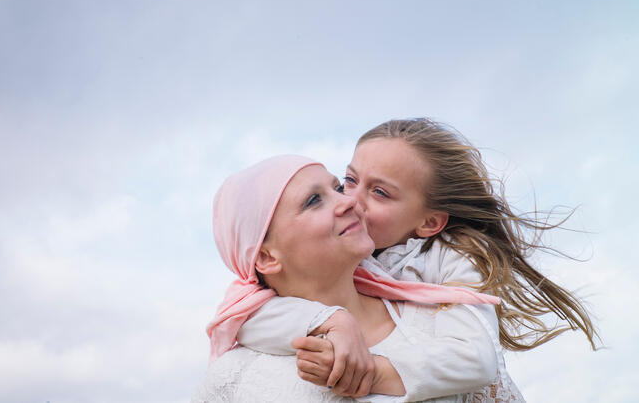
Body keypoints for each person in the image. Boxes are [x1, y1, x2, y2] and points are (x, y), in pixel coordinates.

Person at [238, 119, 599, 401]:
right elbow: (245, 315)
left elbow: (474, 358)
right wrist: (333, 321)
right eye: (349, 180)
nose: (351, 200)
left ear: (428, 223)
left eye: (379, 192)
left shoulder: (452, 258)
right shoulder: (343, 255)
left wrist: (376, 374)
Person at [194, 155, 503, 403]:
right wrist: (332, 320)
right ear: (265, 258)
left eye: (337, 188)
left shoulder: (441, 319)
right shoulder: (234, 378)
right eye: (314, 200)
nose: (350, 201)